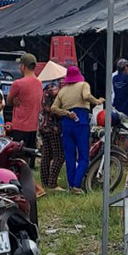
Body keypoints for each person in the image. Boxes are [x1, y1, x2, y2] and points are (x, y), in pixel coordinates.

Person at [51, 66, 104, 194]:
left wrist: (66, 113)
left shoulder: (62, 91)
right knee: (84, 155)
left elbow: (53, 108)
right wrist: (97, 101)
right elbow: (86, 96)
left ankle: (70, 184)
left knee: (69, 155)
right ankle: (76, 184)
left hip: (67, 122)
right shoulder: (83, 85)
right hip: (81, 120)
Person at [7, 53, 42, 167]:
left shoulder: (18, 83)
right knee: (28, 154)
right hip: (32, 125)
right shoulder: (39, 83)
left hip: (19, 125)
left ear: (23, 66)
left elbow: (8, 101)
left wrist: (14, 101)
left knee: (17, 155)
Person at [39, 81, 65, 191]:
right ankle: (52, 183)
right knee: (59, 155)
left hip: (44, 126)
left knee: (46, 155)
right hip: (53, 127)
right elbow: (55, 110)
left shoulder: (45, 90)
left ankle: (45, 181)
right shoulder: (55, 91)